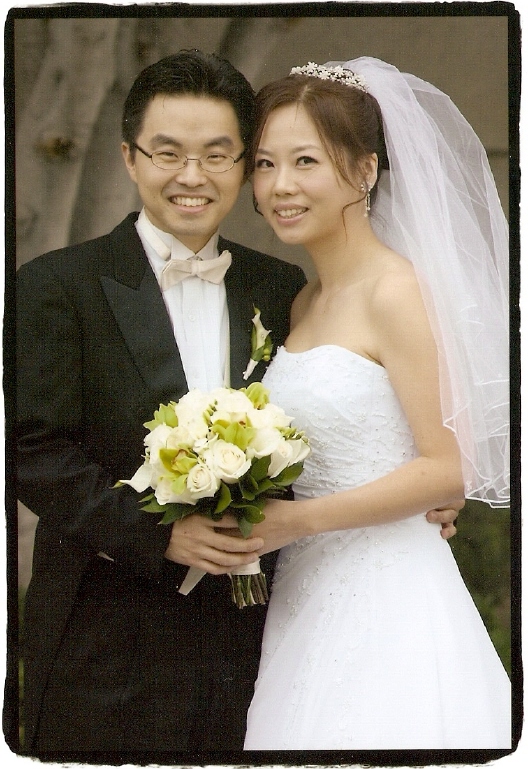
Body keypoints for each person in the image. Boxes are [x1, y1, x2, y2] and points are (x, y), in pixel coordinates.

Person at [14, 49, 457, 757]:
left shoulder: (281, 289)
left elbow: (368, 421)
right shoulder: (56, 285)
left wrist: (426, 494)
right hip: (105, 642)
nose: (193, 176)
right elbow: (32, 451)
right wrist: (156, 533)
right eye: (168, 153)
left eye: (219, 155)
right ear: (130, 158)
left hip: (253, 638)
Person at [243, 58, 511, 750]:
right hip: (306, 589)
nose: (280, 185)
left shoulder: (397, 291)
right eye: (266, 163)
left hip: (390, 591)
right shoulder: (305, 300)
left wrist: (295, 521)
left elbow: (448, 467)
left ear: (365, 171)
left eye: (305, 160)